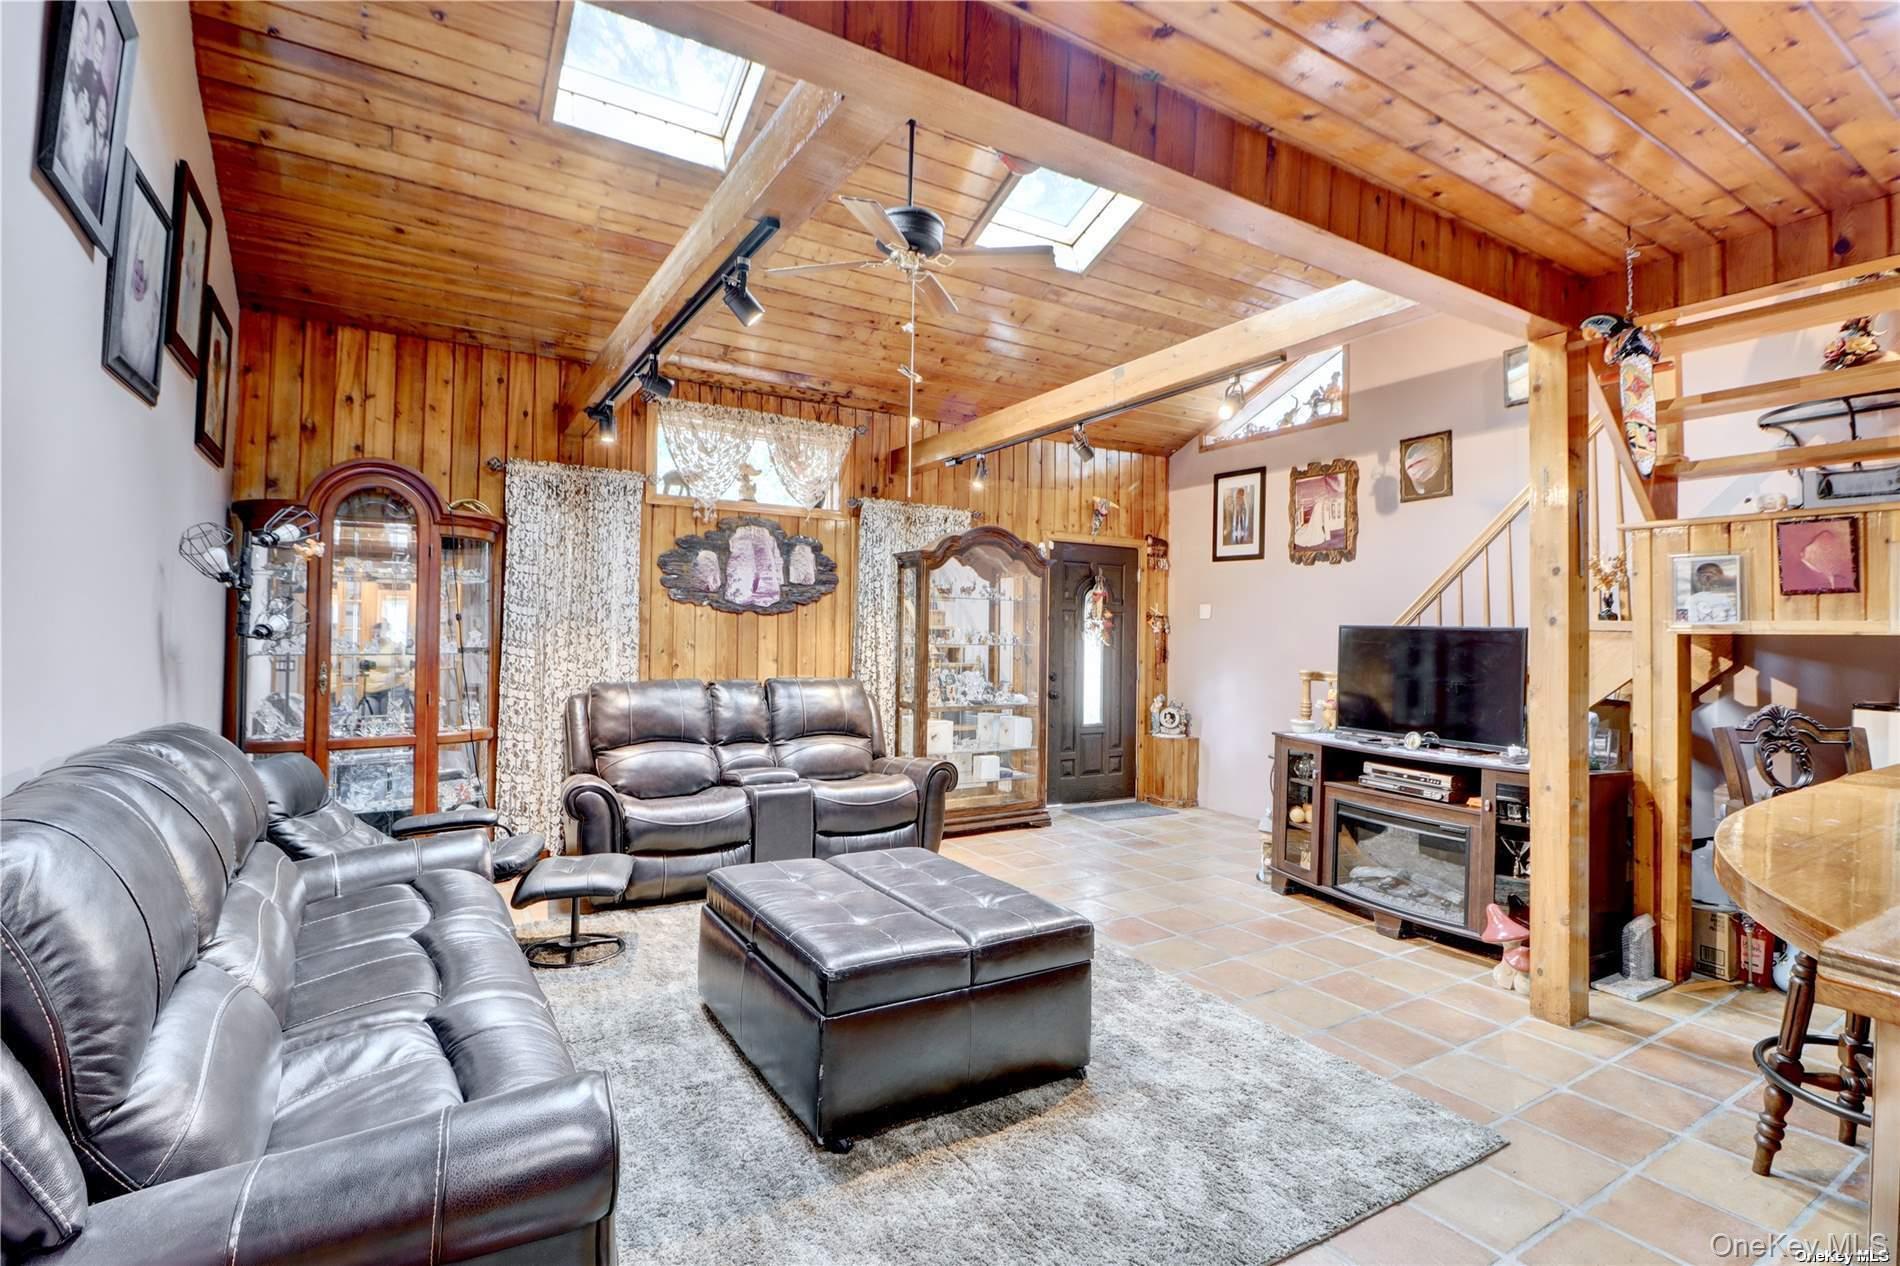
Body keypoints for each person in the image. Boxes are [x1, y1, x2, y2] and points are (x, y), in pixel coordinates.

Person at [359, 621, 409, 716]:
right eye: (374, 633)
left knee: (387, 723)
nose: (376, 635)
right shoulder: (369, 647)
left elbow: (405, 667)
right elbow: (363, 665)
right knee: (370, 722)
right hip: (371, 690)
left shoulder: (395, 647)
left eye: (379, 633)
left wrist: (395, 672)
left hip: (389, 690)